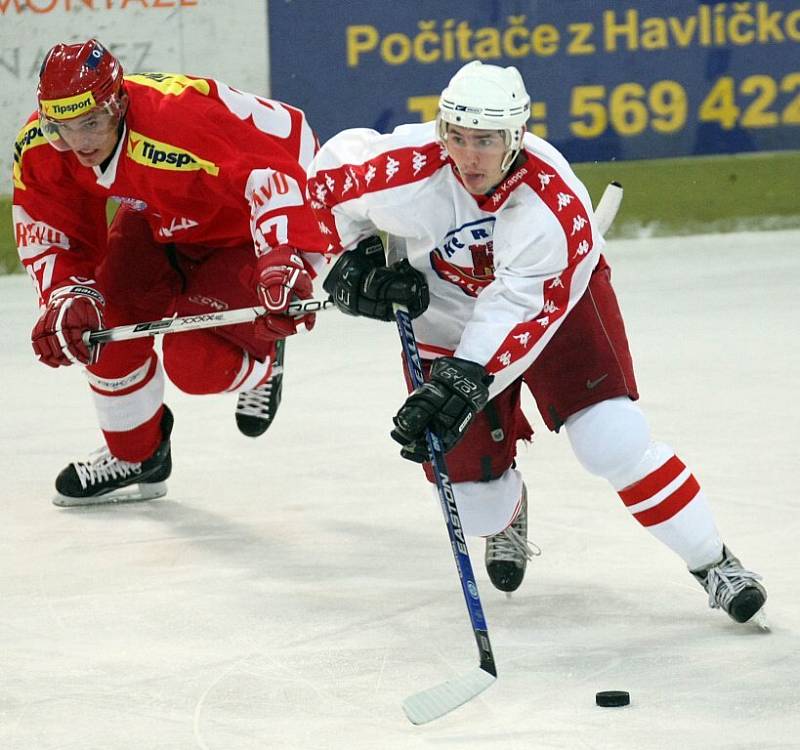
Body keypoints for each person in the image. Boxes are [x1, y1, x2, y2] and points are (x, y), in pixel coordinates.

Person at [307, 60, 767, 626]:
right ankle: (507, 508)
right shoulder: (404, 168)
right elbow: (322, 184)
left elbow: (518, 309)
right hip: (445, 322)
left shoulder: (553, 203)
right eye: (457, 136)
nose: (468, 155)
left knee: (611, 439)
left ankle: (713, 562)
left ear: (516, 137)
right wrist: (345, 264)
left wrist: (463, 379)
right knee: (472, 502)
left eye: (486, 140)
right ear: (440, 129)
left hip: (558, 307)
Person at [13, 39, 328, 506]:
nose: (78, 142)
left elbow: (277, 177)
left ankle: (264, 362)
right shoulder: (44, 145)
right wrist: (66, 294)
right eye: (62, 127)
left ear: (117, 103)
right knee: (101, 323)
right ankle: (138, 456)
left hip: (250, 219)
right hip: (164, 209)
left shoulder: (176, 125)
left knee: (195, 363)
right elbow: (52, 227)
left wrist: (284, 258)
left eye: (91, 123)